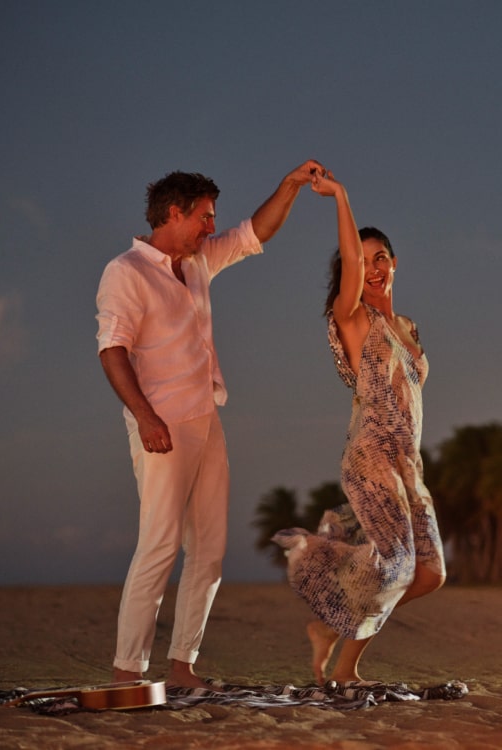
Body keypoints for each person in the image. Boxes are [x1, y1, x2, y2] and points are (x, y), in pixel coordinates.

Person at [96, 161, 324, 689]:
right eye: (203, 217)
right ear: (174, 213)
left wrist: (289, 183)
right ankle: (127, 671)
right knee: (159, 544)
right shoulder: (126, 271)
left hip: (206, 418)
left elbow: (255, 232)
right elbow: (112, 351)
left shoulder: (197, 262)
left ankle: (181, 667)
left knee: (210, 552)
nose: (210, 227)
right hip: (161, 425)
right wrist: (146, 417)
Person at [273, 171, 446, 685]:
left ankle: (333, 639)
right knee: (395, 568)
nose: (372, 269)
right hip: (371, 458)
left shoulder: (407, 328)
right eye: (363, 261)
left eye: (381, 259)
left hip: (407, 464)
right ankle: (343, 652)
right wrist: (341, 198)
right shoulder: (351, 318)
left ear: (395, 263)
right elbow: (350, 263)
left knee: (430, 574)